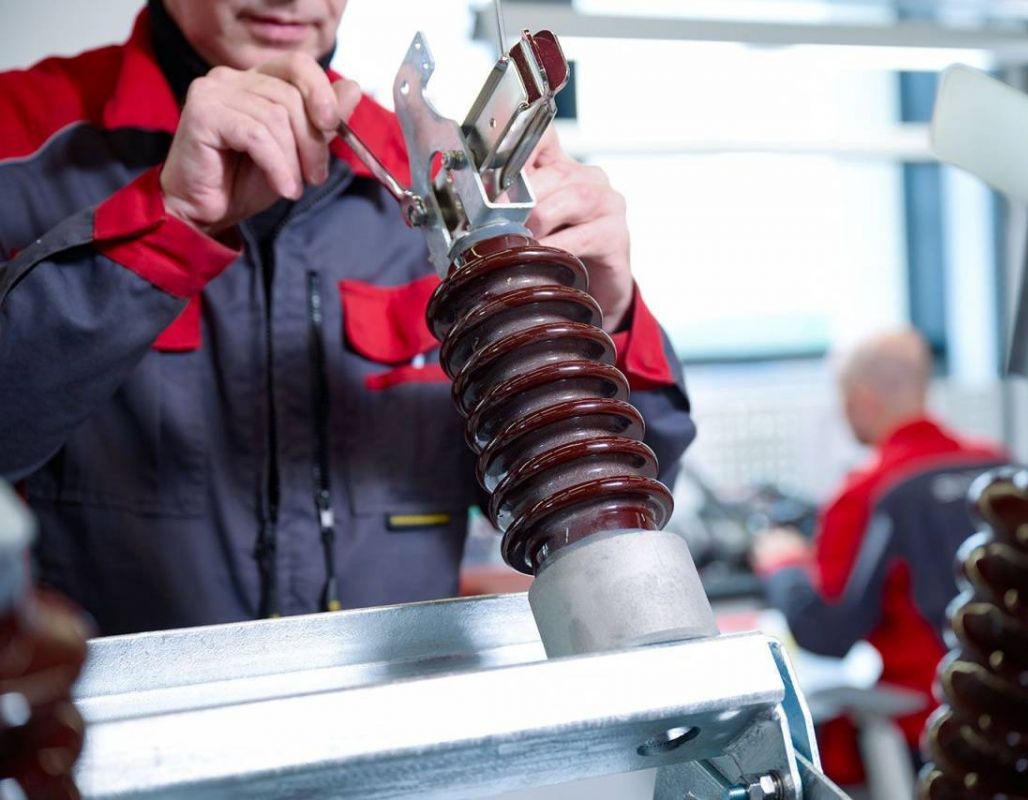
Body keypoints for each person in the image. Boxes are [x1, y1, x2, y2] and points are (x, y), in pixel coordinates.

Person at [0, 0, 695, 636]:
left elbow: (593, 518)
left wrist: (600, 315)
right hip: (120, 719)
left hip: (401, 713)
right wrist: (169, 224)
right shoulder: (18, 141)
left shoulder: (435, 182)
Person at [751, 328, 1005, 780]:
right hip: (1022, 717)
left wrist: (782, 563)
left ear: (861, 400)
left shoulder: (866, 493)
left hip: (932, 730)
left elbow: (825, 633)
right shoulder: (1002, 468)